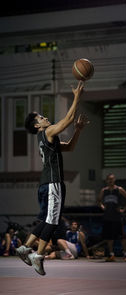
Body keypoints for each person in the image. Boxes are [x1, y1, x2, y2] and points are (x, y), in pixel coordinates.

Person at [16, 81, 87, 275]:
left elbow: (70, 147)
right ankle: (37, 256)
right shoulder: (47, 132)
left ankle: (25, 247)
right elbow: (68, 119)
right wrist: (77, 97)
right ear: (37, 125)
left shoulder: (48, 138)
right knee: (53, 222)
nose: (45, 117)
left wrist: (78, 130)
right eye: (41, 116)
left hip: (46, 184)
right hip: (53, 183)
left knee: (47, 220)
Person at [97, 173, 126, 262]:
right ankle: (111, 254)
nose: (110, 180)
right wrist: (102, 206)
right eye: (109, 179)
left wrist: (123, 209)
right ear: (106, 180)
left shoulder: (119, 189)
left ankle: (125, 254)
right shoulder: (104, 190)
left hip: (117, 216)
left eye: (112, 179)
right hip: (107, 216)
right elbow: (98, 200)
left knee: (122, 236)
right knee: (109, 237)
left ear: (114, 180)